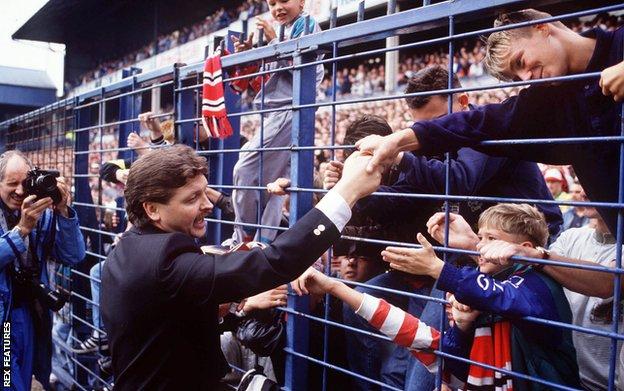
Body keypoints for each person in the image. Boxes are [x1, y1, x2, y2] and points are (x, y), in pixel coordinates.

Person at [100, 144, 383, 390]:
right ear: (152, 209)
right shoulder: (165, 257)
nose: (207, 205)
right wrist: (348, 191)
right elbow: (275, 262)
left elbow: (163, 320)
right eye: (191, 199)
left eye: (203, 193)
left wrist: (223, 309)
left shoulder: (127, 247)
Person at [356, 8, 624, 235]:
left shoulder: (619, 45)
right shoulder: (547, 100)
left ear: (542, 27)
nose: (527, 77)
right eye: (516, 75)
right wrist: (398, 141)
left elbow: (460, 174)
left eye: (521, 61)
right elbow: (480, 122)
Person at [300, 203, 580, 390]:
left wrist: (437, 268)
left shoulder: (538, 284)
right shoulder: (484, 289)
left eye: (490, 238)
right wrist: (462, 328)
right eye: (479, 237)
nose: (480, 246)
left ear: (525, 247)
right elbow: (453, 365)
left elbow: (507, 299)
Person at [230, 0, 324, 244]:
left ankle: (244, 236)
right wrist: (252, 53)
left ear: (302, 1)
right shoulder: (286, 28)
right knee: (275, 185)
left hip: (290, 109)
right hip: (279, 111)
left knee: (245, 167)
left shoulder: (307, 24)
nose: (278, 7)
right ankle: (261, 242)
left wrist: (273, 41)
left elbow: (301, 68)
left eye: (284, 0)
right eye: (272, 3)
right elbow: (273, 73)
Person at [0, 150, 85, 391]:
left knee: (34, 376)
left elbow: (73, 255)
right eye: (11, 184)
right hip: (5, 320)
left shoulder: (43, 212)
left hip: (34, 312)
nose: (19, 191)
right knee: (8, 381)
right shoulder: (30, 218)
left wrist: (63, 212)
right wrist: (22, 229)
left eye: (24, 183)